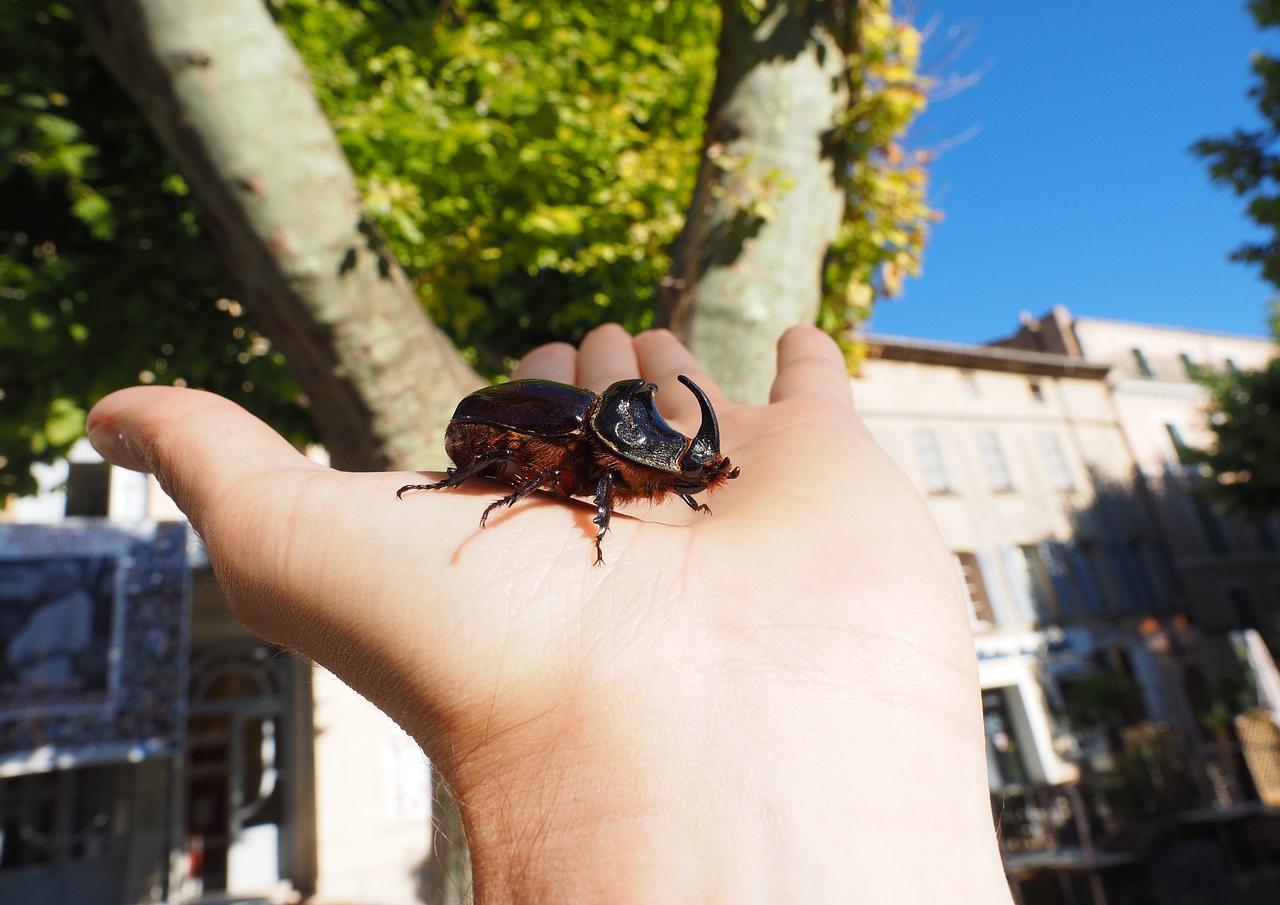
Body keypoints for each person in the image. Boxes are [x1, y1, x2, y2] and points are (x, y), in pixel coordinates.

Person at [87, 323, 1012, 904]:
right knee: (546, 471)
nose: (685, 474)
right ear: (633, 447)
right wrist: (487, 486)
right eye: (677, 465)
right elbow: (581, 466)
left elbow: (646, 470)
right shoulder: (588, 445)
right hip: (485, 435)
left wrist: (691, 476)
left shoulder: (632, 453)